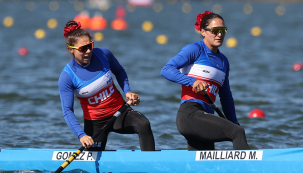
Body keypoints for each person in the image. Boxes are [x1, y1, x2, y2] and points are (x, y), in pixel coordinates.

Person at [58, 21, 155, 151]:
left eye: (90, 46)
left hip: (120, 112)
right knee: (92, 169)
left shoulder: (104, 54)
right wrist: (81, 135)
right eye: (83, 48)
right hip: (95, 124)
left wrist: (127, 91)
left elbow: (120, 71)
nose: (88, 51)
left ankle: (149, 165)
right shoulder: (67, 77)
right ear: (71, 49)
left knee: (143, 124)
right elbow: (67, 111)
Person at [160, 11, 250, 150]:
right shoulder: (194, 49)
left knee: (205, 167)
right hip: (190, 115)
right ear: (203, 32)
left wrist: (233, 122)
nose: (219, 34)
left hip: (205, 117)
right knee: (237, 133)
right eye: (215, 30)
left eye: (223, 30)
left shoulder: (224, 61)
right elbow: (166, 69)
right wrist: (193, 82)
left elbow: (226, 97)